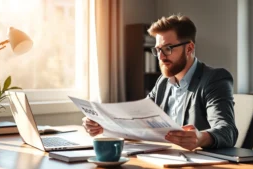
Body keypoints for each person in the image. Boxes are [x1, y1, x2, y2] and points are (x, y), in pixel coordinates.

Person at [82, 15, 238, 150]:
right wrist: (103, 124)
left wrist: (200, 138)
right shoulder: (163, 82)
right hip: (166, 157)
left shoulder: (215, 79)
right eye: (158, 50)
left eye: (168, 48)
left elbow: (227, 130)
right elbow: (138, 120)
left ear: (189, 48)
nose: (161, 57)